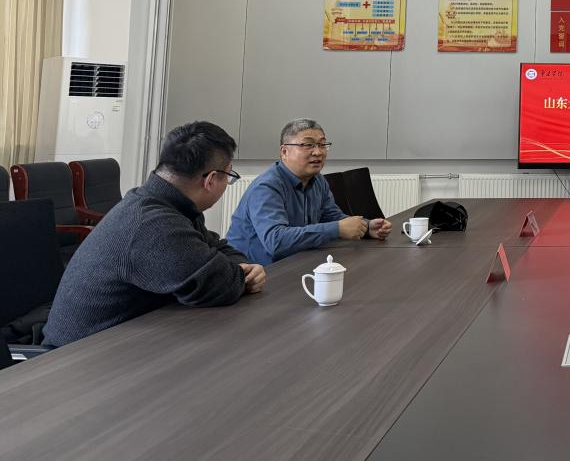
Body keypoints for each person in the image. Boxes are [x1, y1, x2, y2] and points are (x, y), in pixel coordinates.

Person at [42, 121, 265, 348]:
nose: (227, 183)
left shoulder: (170, 204)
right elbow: (216, 284)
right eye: (229, 176)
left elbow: (218, 248)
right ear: (211, 180)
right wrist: (242, 276)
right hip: (75, 358)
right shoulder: (152, 223)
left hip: (123, 342)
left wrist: (242, 268)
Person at [226, 118, 391, 266]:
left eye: (322, 144)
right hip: (256, 274)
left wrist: (366, 227)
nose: (318, 152)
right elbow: (276, 242)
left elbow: (331, 217)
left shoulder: (318, 180)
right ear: (284, 152)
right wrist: (337, 229)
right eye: (308, 145)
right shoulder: (267, 187)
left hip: (296, 263)